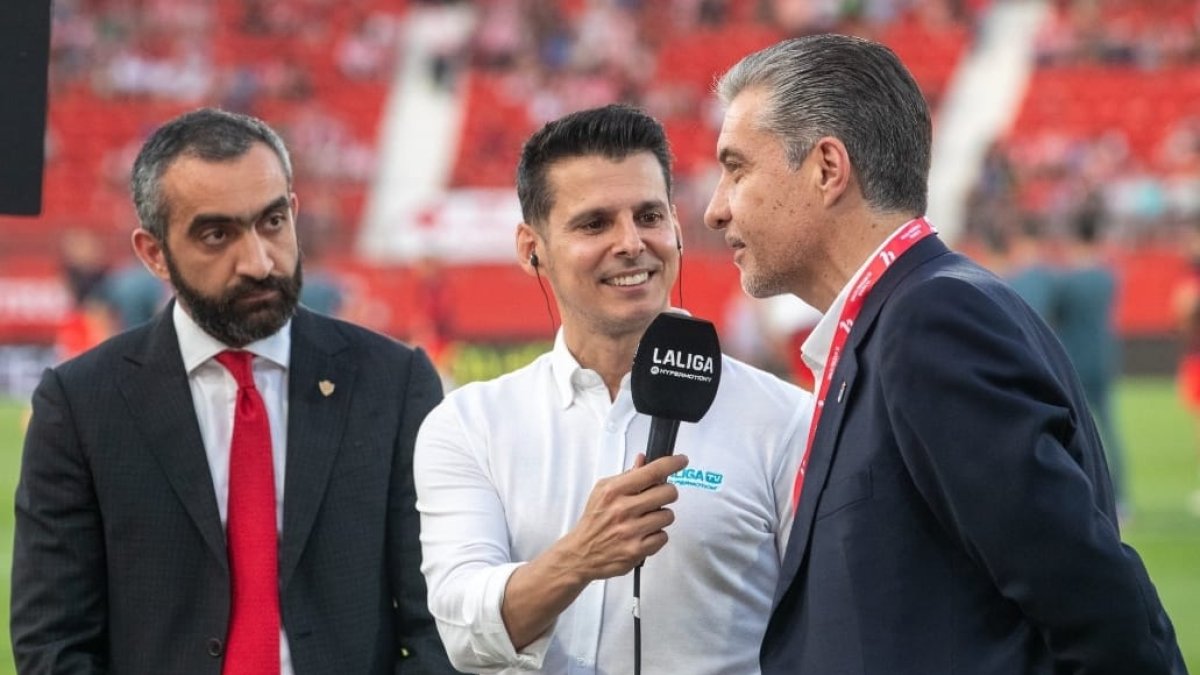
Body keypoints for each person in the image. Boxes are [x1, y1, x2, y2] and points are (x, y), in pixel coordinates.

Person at [703, 35, 1186, 674]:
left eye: (736, 168)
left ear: (826, 168)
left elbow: (1094, 600)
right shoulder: (901, 317)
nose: (714, 208)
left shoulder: (931, 322)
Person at [11, 108, 455, 675]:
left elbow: (441, 621)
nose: (258, 261)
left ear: (293, 213)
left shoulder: (393, 384)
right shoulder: (79, 404)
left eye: (272, 222)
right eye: (217, 234)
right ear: (153, 253)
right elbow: (53, 643)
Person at [415, 104, 810, 674]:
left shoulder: (785, 419)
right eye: (594, 223)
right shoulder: (469, 425)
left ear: (676, 227)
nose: (631, 243)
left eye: (649, 216)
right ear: (531, 249)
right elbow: (465, 636)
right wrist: (578, 558)